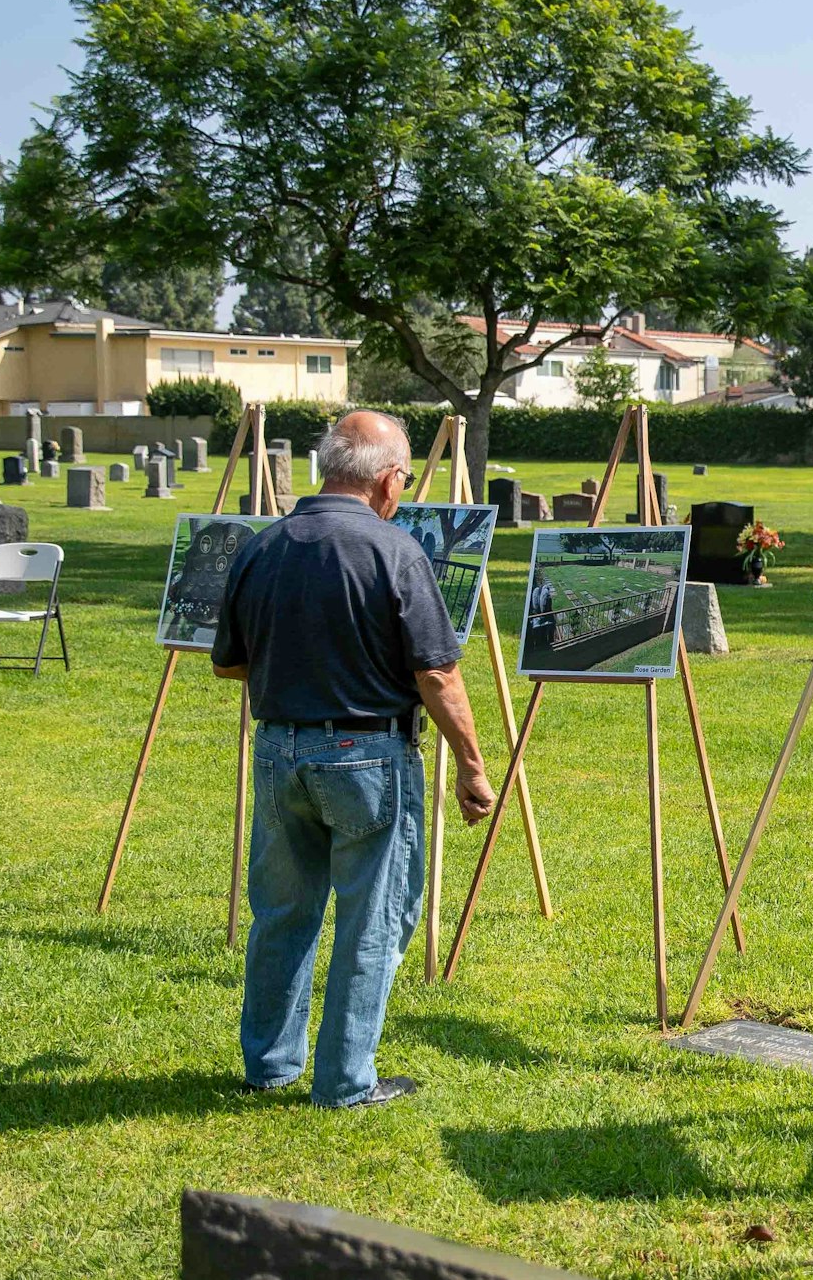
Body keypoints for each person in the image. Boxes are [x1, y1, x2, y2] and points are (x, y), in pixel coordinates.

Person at [211, 410, 497, 1108]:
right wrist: (472, 762)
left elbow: (229, 665)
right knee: (372, 919)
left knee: (282, 911)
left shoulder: (262, 545)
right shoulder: (395, 550)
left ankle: (270, 1064)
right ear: (387, 479)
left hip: (279, 748)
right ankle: (344, 1081)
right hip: (367, 753)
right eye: (400, 477)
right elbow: (437, 675)